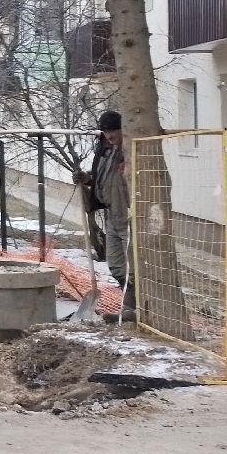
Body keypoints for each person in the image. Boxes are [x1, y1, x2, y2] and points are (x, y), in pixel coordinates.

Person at [89, 109, 134, 320]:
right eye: (105, 132)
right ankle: (130, 308)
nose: (109, 135)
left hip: (127, 216)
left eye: (112, 131)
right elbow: (103, 180)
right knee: (116, 265)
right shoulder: (106, 153)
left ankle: (134, 310)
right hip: (111, 216)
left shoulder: (130, 152)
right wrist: (87, 179)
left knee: (135, 267)